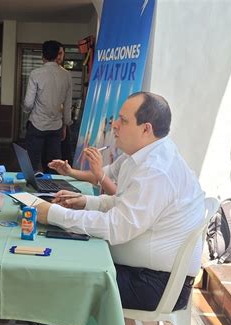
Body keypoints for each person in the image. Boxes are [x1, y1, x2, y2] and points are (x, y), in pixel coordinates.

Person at [37, 92, 205, 311]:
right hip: (145, 270)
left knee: (69, 276)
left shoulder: (156, 171)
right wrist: (86, 202)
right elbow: (125, 203)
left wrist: (53, 214)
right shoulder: (141, 156)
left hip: (157, 283)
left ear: (146, 129)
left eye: (124, 121)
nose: (114, 125)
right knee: (69, 254)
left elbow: (116, 227)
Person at [23, 40, 73, 173]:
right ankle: (52, 190)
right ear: (58, 54)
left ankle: (30, 190)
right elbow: (67, 105)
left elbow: (28, 103)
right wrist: (66, 124)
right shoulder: (67, 75)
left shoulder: (36, 74)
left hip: (37, 125)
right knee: (54, 165)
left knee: (32, 163)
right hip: (56, 126)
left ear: (43, 56)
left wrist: (27, 110)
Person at [48, 146, 119, 195]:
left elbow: (118, 196)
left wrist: (99, 172)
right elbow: (95, 178)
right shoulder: (124, 159)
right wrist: (70, 172)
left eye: (123, 123)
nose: (114, 126)